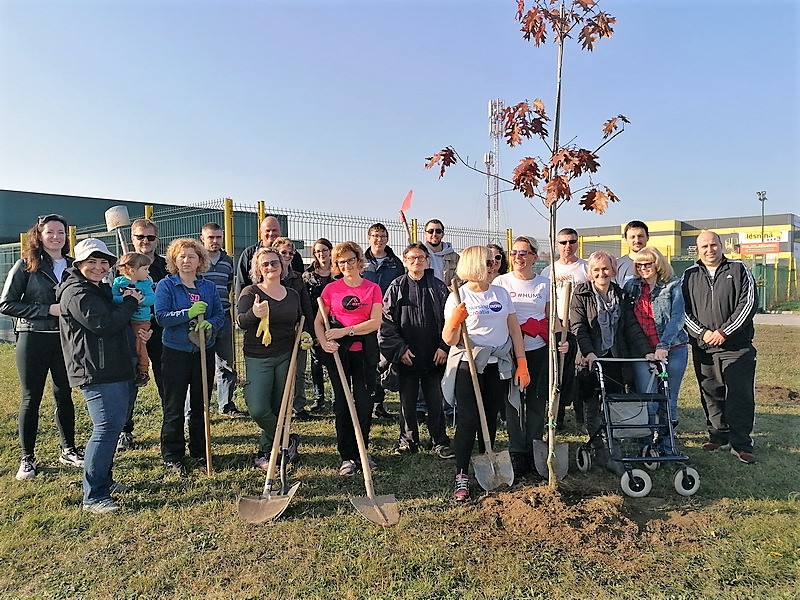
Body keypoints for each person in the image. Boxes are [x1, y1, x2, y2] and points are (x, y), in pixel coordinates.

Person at [57, 238, 141, 513]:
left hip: (112, 366)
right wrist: (129, 303)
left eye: (103, 262)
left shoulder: (97, 288)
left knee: (112, 428)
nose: (98, 267)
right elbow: (103, 324)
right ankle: (93, 496)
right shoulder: (77, 292)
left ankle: (104, 480)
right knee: (105, 430)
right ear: (79, 264)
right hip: (95, 370)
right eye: (91, 262)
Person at [441, 246, 529, 502]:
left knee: (490, 419)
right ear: (474, 265)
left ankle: (487, 462)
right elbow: (449, 339)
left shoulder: (500, 292)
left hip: (497, 365)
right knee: (468, 421)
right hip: (469, 364)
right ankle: (461, 475)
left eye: (494, 262)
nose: (493, 266)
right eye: (488, 262)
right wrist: (455, 320)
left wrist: (521, 362)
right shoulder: (458, 297)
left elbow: (514, 330)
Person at [0, 214, 83, 480]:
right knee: (30, 398)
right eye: (51, 232)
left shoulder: (74, 265)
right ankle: (27, 459)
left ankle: (68, 449)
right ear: (40, 234)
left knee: (64, 395)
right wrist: (46, 309)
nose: (57, 237)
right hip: (33, 337)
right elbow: (7, 303)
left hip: (66, 340)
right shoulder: (26, 265)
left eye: (61, 232)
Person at [569, 251, 650, 474]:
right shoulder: (581, 294)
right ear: (590, 273)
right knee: (591, 405)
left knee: (613, 404)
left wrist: (647, 352)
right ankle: (599, 449)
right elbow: (578, 327)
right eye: (596, 269)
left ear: (614, 270)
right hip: (590, 360)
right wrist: (589, 352)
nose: (601, 273)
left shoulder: (621, 296)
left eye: (606, 268)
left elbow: (632, 327)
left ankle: (615, 448)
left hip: (615, 358)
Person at [494, 236, 567, 479]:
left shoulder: (544, 285)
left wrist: (562, 338)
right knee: (513, 400)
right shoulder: (501, 282)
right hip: (511, 350)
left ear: (535, 257)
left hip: (537, 349)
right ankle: (517, 450)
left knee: (536, 400)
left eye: (524, 253)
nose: (519, 257)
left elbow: (552, 318)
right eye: (514, 252)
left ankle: (535, 445)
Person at [682, 230, 758, 464]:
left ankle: (741, 443)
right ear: (697, 249)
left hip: (737, 346)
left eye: (713, 245)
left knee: (740, 395)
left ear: (721, 245)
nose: (709, 250)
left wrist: (724, 332)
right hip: (704, 347)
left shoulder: (739, 270)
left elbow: (749, 304)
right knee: (711, 393)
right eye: (704, 246)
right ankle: (718, 436)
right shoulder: (689, 274)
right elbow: (682, 310)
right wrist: (703, 333)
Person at [155, 238, 225, 477]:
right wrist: (188, 313)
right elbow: (162, 317)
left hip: (203, 351)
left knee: (200, 403)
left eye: (192, 257)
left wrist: (209, 323)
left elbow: (219, 316)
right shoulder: (166, 285)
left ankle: (199, 449)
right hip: (175, 351)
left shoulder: (208, 287)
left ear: (200, 261)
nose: (186, 261)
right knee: (174, 405)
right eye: (181, 256)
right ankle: (172, 455)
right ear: (174, 260)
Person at [379, 243, 453, 459]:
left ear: (427, 261)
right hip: (406, 356)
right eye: (412, 258)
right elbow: (386, 322)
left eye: (421, 258)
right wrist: (400, 349)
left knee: (435, 401)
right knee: (407, 402)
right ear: (405, 260)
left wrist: (443, 346)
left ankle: (439, 440)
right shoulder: (396, 287)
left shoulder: (438, 287)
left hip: (433, 356)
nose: (416, 262)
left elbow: (450, 321)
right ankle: (408, 440)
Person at [314, 242, 383, 477]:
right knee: (342, 404)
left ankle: (363, 451)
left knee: (363, 404)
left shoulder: (372, 288)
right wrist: (324, 341)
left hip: (364, 354)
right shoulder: (331, 290)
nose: (346, 265)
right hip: (338, 355)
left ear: (359, 261)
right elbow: (318, 322)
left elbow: (375, 322)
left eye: (350, 260)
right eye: (341, 262)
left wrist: (346, 331)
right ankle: (347, 457)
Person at [237, 247, 302, 469]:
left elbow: (298, 320)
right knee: (258, 409)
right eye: (265, 264)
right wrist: (255, 313)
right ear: (258, 268)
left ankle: (267, 451)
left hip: (286, 354)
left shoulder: (292, 294)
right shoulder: (250, 292)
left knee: (279, 406)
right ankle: (287, 440)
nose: (270, 267)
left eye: (274, 263)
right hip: (258, 357)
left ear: (282, 266)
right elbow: (241, 322)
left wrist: (304, 336)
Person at [624, 246, 689, 454]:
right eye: (639, 264)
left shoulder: (672, 285)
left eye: (648, 263)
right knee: (647, 399)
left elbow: (678, 318)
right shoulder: (631, 287)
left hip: (673, 349)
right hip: (644, 352)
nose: (643, 268)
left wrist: (664, 346)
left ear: (657, 264)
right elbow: (628, 319)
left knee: (668, 399)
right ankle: (646, 444)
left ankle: (667, 445)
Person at [118, 218, 168, 451]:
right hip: (130, 333)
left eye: (150, 237)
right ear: (132, 239)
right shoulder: (123, 267)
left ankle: (170, 428)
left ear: (157, 240)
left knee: (165, 381)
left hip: (160, 331)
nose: (145, 241)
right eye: (140, 237)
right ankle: (124, 430)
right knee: (129, 382)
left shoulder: (166, 267)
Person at [541, 227, 589, 431]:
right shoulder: (549, 271)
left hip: (579, 324)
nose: (568, 246)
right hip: (557, 325)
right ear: (556, 245)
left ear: (577, 243)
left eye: (572, 242)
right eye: (563, 242)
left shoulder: (585, 268)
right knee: (557, 372)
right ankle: (557, 417)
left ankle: (582, 417)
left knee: (579, 371)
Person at [199, 222, 246, 417]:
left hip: (224, 317)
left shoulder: (228, 261)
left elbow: (229, 287)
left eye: (218, 237)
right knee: (202, 363)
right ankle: (199, 406)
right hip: (202, 318)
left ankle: (226, 404)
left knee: (226, 362)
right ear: (203, 238)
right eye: (211, 237)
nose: (215, 241)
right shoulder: (197, 261)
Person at [361, 223, 404, 420]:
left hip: (388, 318)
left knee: (384, 360)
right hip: (365, 317)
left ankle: (380, 401)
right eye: (375, 236)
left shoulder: (396, 263)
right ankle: (371, 400)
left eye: (383, 236)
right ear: (369, 238)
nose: (379, 240)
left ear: (387, 239)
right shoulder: (361, 261)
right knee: (368, 360)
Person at [273, 236, 315, 420]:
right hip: (276, 331)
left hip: (298, 329)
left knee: (299, 370)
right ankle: (280, 404)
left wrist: (309, 330)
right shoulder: (270, 276)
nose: (288, 256)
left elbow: (306, 306)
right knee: (280, 371)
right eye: (284, 253)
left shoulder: (298, 278)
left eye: (291, 253)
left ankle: (299, 405)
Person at [112, 252, 155, 388]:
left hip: (141, 320)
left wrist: (139, 300)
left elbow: (152, 298)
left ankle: (143, 370)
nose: (148, 272)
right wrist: (126, 299)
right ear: (132, 271)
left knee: (140, 342)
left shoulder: (146, 283)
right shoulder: (119, 282)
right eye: (145, 269)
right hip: (124, 320)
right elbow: (113, 298)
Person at [235, 215, 303, 299]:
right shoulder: (249, 254)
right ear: (260, 232)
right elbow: (241, 284)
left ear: (280, 232)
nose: (271, 233)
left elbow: (300, 282)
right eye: (267, 230)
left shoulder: (294, 255)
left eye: (274, 230)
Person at [302, 237, 335, 412]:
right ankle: (318, 397)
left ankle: (337, 396)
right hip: (316, 322)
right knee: (316, 361)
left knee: (335, 360)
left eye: (324, 250)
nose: (321, 254)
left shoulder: (338, 273)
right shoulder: (307, 276)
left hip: (336, 323)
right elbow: (305, 303)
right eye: (318, 251)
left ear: (330, 251)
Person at [423, 219, 459, 285]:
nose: (434, 234)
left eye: (438, 231)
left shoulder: (455, 257)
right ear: (425, 234)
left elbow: (459, 279)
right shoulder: (420, 256)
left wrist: (447, 292)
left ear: (442, 234)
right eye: (430, 231)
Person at [615, 220, 650, 286]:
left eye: (640, 236)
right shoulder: (617, 266)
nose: (637, 240)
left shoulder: (658, 264)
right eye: (632, 237)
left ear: (647, 237)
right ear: (626, 239)